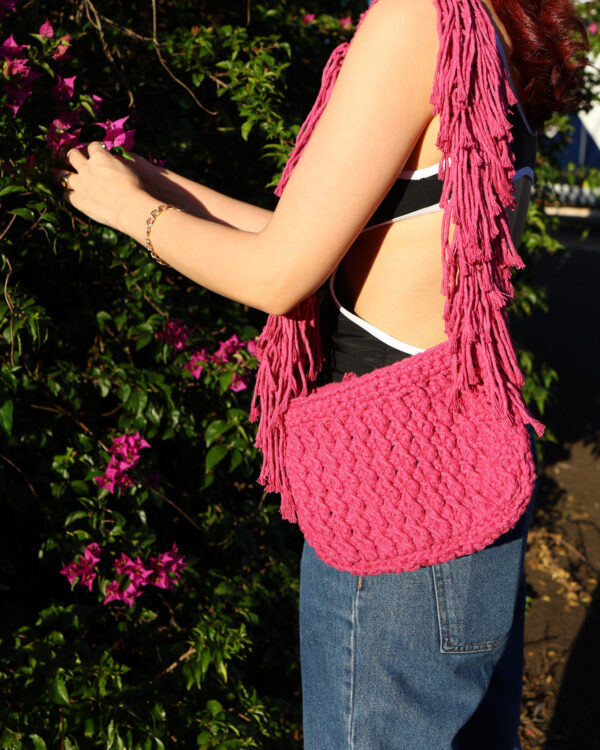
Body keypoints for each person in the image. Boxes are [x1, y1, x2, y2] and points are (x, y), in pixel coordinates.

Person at [55, 0, 588, 746]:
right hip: (462, 463)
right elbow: (310, 242)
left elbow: (277, 277)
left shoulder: (415, 19)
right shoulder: (488, 27)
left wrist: (129, 214)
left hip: (392, 486)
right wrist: (156, 188)